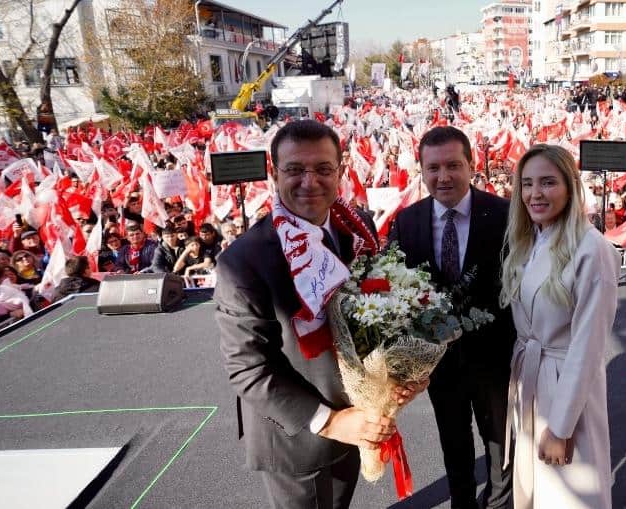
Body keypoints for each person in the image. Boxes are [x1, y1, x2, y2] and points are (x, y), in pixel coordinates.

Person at [215, 120, 417, 509]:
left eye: (323, 169)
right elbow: (248, 368)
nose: (310, 182)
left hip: (358, 414)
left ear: (340, 172)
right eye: (295, 169)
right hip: (298, 437)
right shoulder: (242, 261)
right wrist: (334, 422)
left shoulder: (357, 227)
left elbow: (375, 309)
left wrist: (400, 374)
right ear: (275, 174)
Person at [387, 126, 515, 509]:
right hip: (439, 366)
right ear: (422, 171)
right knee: (454, 445)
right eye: (434, 168)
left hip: (494, 360)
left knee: (500, 447)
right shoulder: (407, 222)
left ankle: (498, 504)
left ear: (471, 166)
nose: (443, 176)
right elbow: (396, 288)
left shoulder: (506, 214)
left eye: (453, 165)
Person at [499, 144, 619, 509]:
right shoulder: (529, 239)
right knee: (537, 491)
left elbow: (588, 347)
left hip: (565, 389)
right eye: (527, 183)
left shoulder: (592, 248)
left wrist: (561, 427)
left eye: (548, 182)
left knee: (568, 496)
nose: (535, 193)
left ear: (570, 187)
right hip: (531, 382)